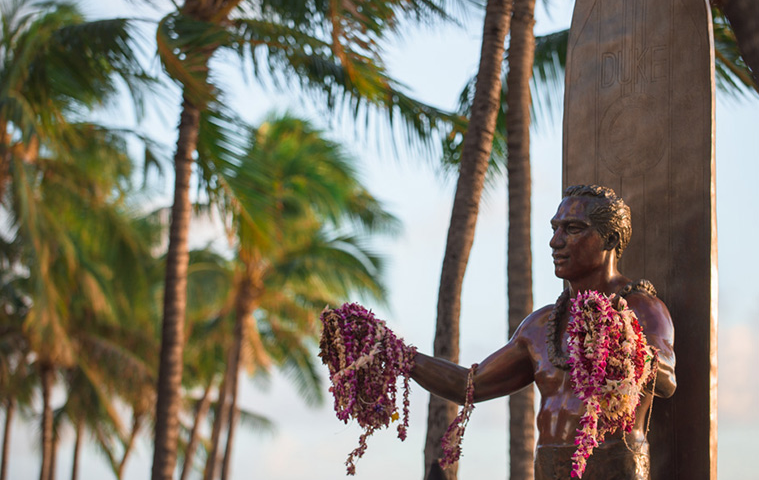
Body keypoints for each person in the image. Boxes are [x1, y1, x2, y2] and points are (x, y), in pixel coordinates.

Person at [411, 185, 676, 480]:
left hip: (615, 466)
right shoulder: (541, 325)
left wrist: (623, 341)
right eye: (555, 228)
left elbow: (667, 380)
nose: (555, 241)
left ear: (610, 239)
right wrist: (402, 357)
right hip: (548, 468)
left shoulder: (640, 308)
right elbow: (468, 386)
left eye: (572, 229)